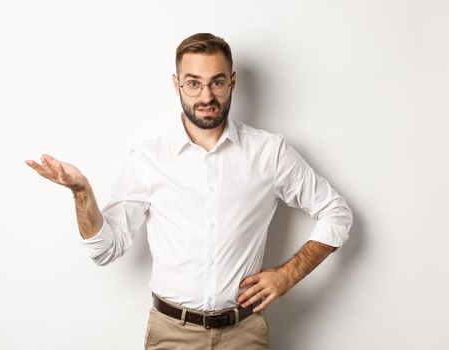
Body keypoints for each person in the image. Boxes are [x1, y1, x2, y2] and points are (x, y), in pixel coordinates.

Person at [24, 33, 353, 349]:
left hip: (244, 334)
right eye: (194, 83)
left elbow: (335, 212)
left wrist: (288, 274)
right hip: (171, 335)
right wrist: (82, 193)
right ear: (177, 84)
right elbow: (105, 249)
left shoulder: (270, 152)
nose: (206, 96)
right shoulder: (148, 158)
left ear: (232, 82)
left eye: (217, 82)